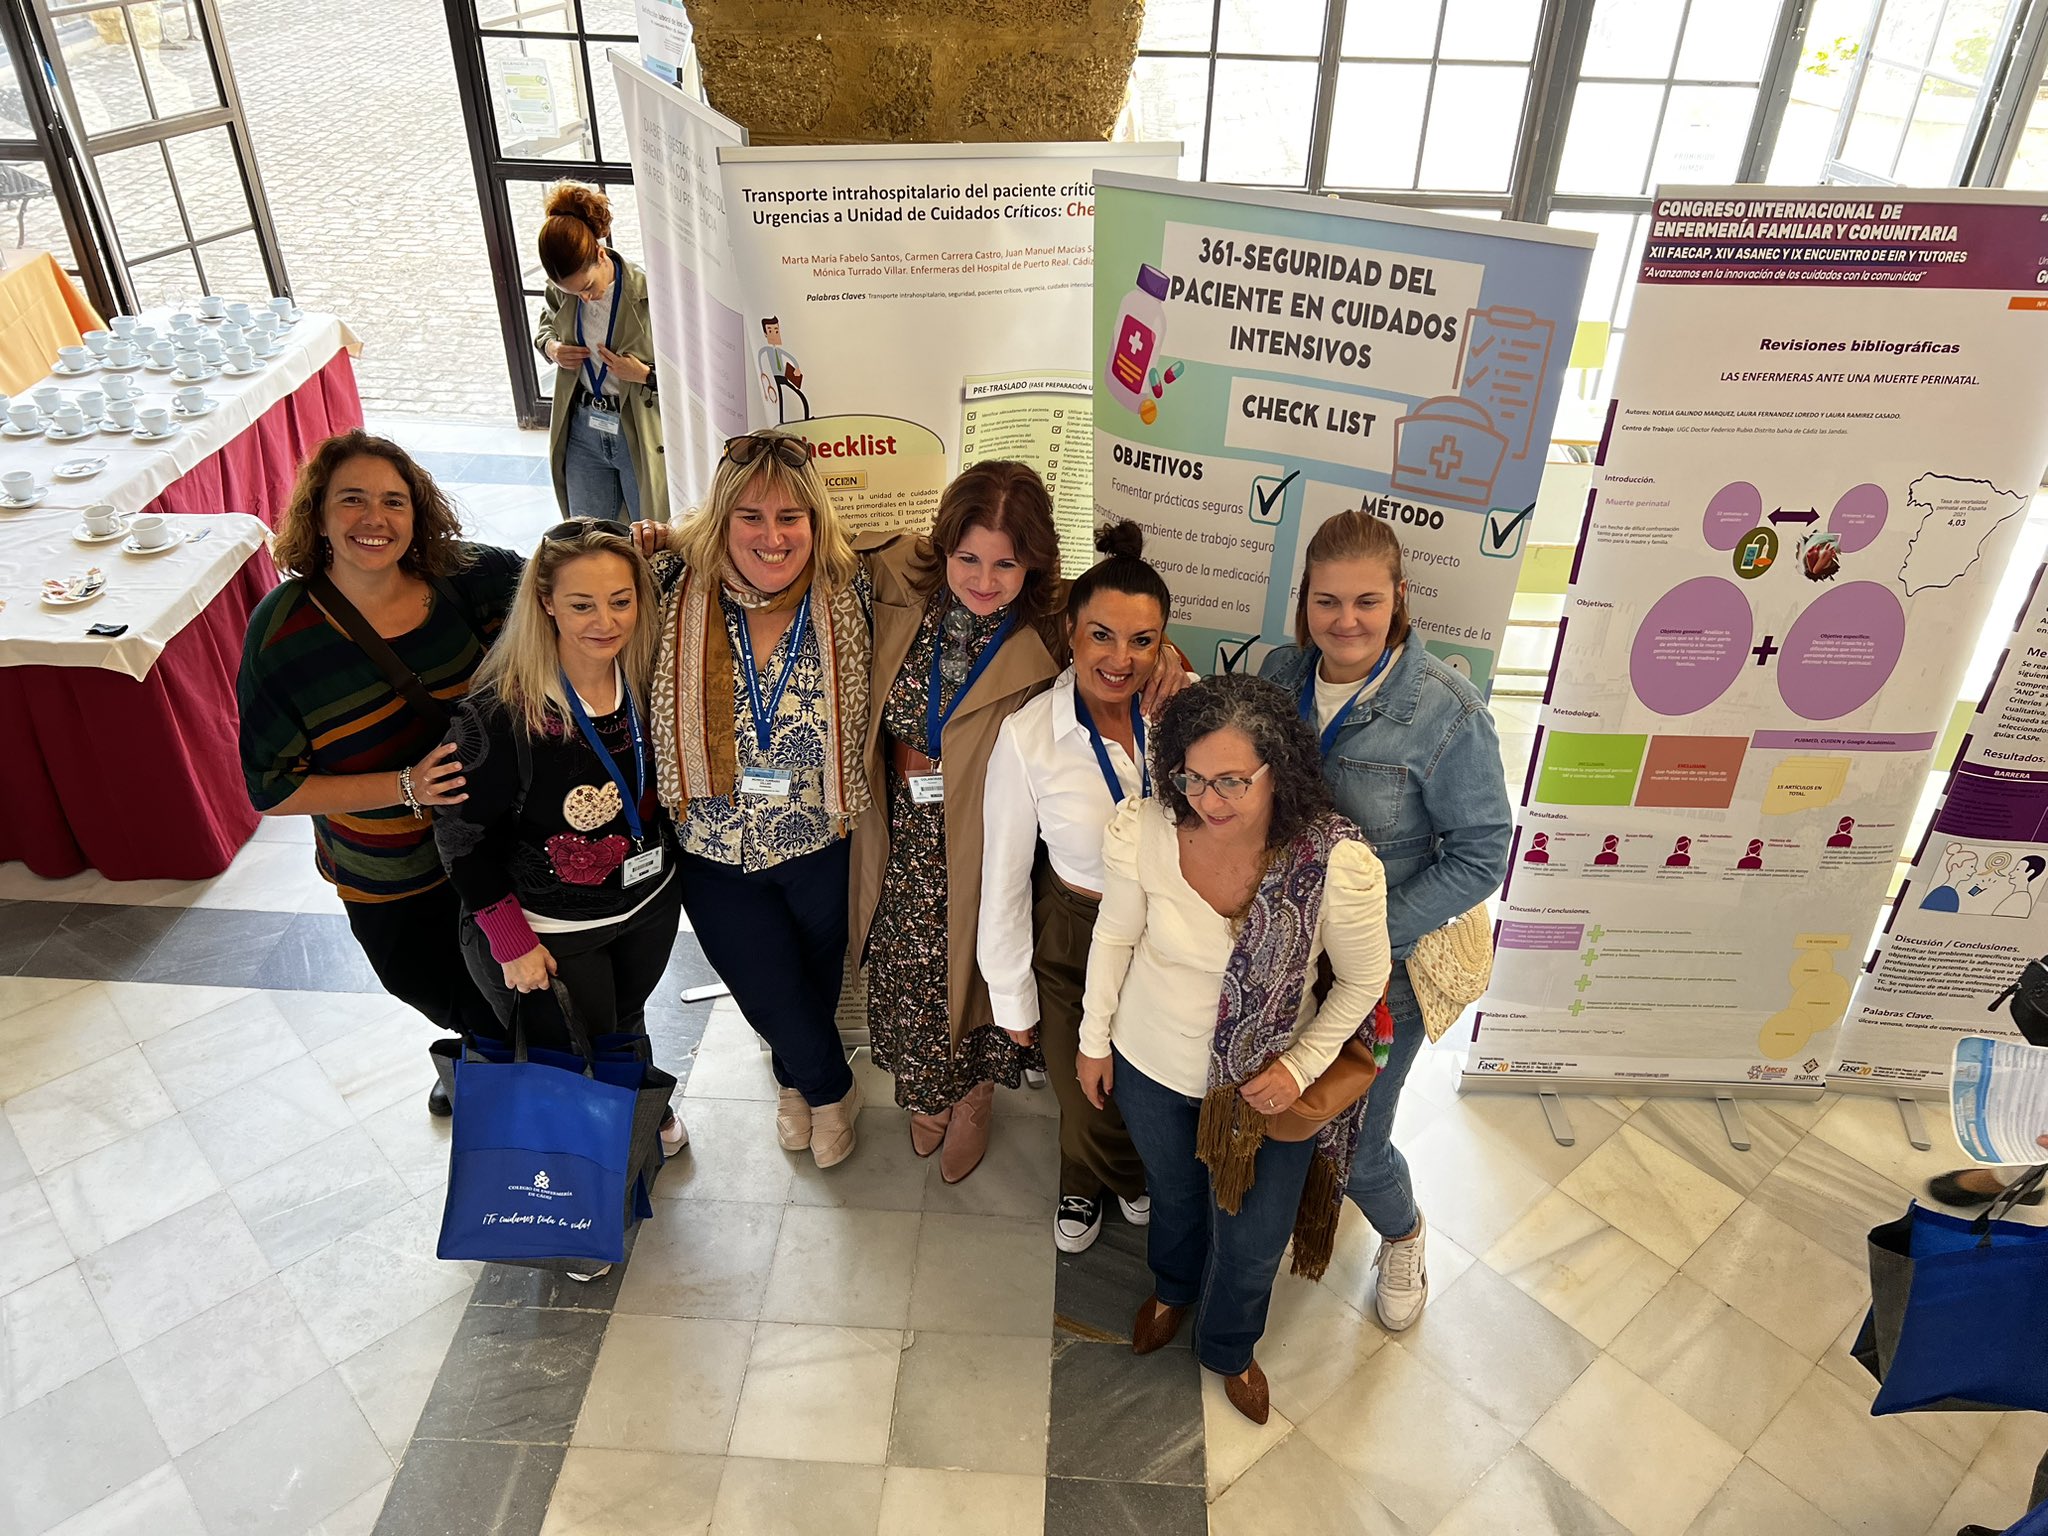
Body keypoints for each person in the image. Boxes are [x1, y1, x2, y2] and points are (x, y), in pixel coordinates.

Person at [1077, 673, 1391, 1424]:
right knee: (1176, 1198)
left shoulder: (1333, 863)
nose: (1209, 800)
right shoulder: (1146, 830)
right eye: (1191, 778)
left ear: (1277, 769)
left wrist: (1298, 1068)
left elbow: (1364, 979)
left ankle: (1229, 1346)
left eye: (1231, 781)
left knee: (1252, 1240)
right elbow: (1115, 937)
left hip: (1263, 1091)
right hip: (1151, 1065)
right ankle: (1173, 1290)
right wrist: (1093, 1042)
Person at [1260, 510, 1512, 1331]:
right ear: (1305, 600)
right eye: (1327, 601)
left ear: (1400, 596)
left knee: (1359, 1146)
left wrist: (1372, 940)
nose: (1346, 621)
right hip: (1282, 958)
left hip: (1384, 974)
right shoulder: (1281, 673)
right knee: (1286, 1112)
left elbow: (1482, 854)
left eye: (1367, 601)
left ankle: (1402, 1234)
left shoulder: (1449, 712)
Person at [239, 431, 522, 1114]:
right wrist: (405, 786)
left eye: (394, 501)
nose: (375, 519)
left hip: (497, 843)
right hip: (390, 865)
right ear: (317, 515)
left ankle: (511, 1072)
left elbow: (567, 581)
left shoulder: (466, 578)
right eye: (353, 500)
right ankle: (491, 1056)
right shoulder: (283, 635)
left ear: (417, 513)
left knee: (519, 974)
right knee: (424, 979)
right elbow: (271, 788)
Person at [433, 518, 688, 1227]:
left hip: (643, 908)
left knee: (621, 1025)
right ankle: (579, 1214)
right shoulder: (502, 710)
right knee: (567, 1060)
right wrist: (509, 940)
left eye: (621, 600)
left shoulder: (650, 682)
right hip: (551, 928)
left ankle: (638, 1112)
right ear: (545, 602)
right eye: (582, 604)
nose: (605, 621)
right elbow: (459, 835)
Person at [645, 432, 872, 1169]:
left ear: (815, 521)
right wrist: (651, 535)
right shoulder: (669, 584)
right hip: (713, 844)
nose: (772, 537)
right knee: (763, 983)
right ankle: (833, 1089)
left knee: (811, 980)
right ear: (721, 520)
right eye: (750, 517)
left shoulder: (853, 588)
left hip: (821, 837)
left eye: (789, 517)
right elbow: (572, 579)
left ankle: (794, 1083)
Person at [850, 461, 1065, 1183]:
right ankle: (927, 1093)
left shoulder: (1051, 627)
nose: (984, 579)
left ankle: (974, 1098)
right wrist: (673, 535)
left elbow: (1128, 637)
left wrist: (1163, 664)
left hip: (988, 845)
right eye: (968, 557)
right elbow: (789, 539)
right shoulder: (901, 581)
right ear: (943, 545)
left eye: (1006, 564)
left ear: (1033, 563)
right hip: (904, 837)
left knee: (978, 972)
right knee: (910, 976)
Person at [979, 521, 1169, 1251]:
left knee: (1146, 1081)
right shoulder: (1030, 736)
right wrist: (1011, 996)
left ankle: (1088, 1177)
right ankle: (1114, 1173)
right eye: (1101, 636)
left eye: (1142, 641)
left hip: (1166, 934)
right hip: (1074, 934)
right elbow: (1002, 876)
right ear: (1070, 632)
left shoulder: (1188, 712)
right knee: (1085, 1093)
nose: (1121, 660)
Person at [535, 182, 666, 525]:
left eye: (588, 287)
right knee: (584, 537)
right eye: (572, 293)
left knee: (647, 535)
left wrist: (645, 374)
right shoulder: (562, 290)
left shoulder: (650, 294)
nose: (584, 298)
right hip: (582, 426)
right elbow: (545, 328)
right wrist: (553, 349)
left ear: (600, 254)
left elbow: (692, 371)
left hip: (633, 424)